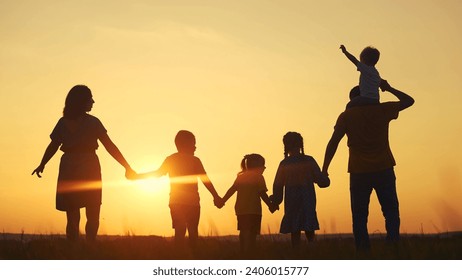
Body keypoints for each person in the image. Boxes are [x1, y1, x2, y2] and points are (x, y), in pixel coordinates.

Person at [32, 85, 135, 242]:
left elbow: (53, 146)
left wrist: (43, 164)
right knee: (91, 211)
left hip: (69, 167)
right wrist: (127, 167)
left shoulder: (64, 123)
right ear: (81, 101)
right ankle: (88, 247)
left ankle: (77, 249)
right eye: (90, 98)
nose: (93, 101)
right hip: (88, 166)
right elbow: (109, 146)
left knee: (73, 214)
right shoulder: (92, 122)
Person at [322, 80, 415, 250]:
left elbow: (333, 142)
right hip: (384, 168)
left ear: (352, 98)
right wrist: (389, 88)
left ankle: (363, 252)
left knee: (359, 216)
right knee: (391, 212)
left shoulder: (346, 115)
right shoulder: (381, 109)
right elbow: (409, 101)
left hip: (359, 171)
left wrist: (325, 169)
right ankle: (393, 247)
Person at [130, 130, 222, 249]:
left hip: (178, 202)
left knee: (180, 231)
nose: (195, 147)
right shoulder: (195, 161)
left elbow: (157, 174)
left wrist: (137, 176)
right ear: (185, 144)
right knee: (193, 232)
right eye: (193, 143)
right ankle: (189, 256)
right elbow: (205, 180)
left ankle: (179, 255)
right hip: (191, 202)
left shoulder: (172, 159)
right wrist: (216, 196)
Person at [271, 132, 330, 248]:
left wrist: (276, 201)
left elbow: (278, 185)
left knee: (294, 228)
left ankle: (296, 252)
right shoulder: (309, 161)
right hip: (307, 199)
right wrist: (325, 177)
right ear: (300, 144)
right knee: (309, 226)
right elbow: (322, 182)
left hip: (292, 201)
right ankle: (311, 249)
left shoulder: (284, 164)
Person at [218, 154, 277, 256]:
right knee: (252, 234)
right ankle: (250, 253)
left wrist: (222, 200)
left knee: (243, 231)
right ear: (256, 166)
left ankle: (243, 251)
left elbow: (231, 190)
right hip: (254, 211)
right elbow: (262, 194)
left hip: (241, 210)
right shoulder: (259, 177)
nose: (264, 168)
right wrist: (270, 205)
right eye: (263, 166)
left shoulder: (240, 177)